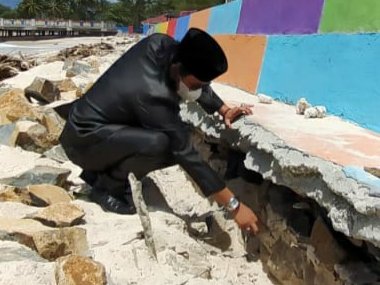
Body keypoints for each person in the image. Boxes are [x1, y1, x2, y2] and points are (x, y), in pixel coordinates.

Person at [58, 28, 260, 234]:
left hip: (98, 127)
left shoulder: (161, 45)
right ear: (178, 69)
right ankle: (107, 187)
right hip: (83, 141)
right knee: (162, 145)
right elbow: (186, 153)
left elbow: (196, 81)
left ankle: (102, 172)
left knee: (169, 138)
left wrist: (224, 109)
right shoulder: (154, 94)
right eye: (196, 85)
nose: (198, 90)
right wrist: (235, 206)